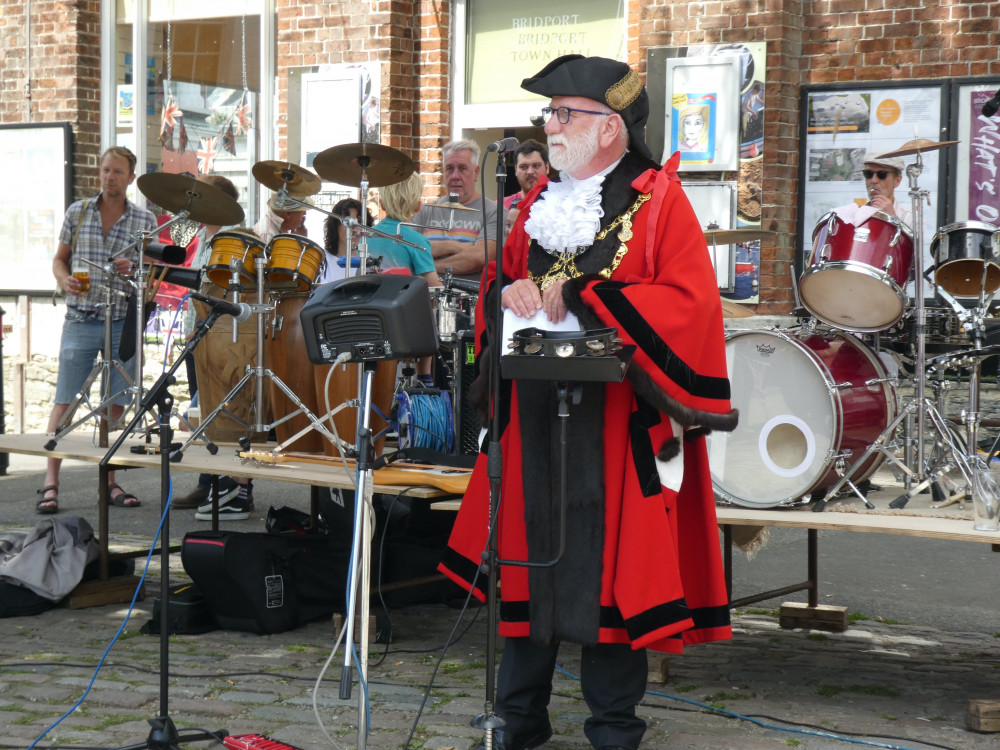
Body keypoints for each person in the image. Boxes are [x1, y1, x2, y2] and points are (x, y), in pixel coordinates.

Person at [437, 55, 738, 750]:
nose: (551, 127)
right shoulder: (539, 204)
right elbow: (506, 284)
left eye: (563, 114)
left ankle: (612, 725)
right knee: (524, 555)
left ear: (610, 127)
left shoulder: (659, 200)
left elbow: (690, 308)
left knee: (612, 572)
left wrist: (584, 296)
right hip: (534, 413)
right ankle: (519, 717)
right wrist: (502, 295)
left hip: (614, 423)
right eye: (551, 114)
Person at [39, 146, 157, 514]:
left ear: (130, 178)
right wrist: (64, 280)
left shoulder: (145, 220)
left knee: (117, 403)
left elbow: (152, 274)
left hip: (123, 318)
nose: (109, 177)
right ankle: (50, 482)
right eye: (105, 170)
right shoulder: (78, 211)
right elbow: (60, 260)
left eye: (118, 172)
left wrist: (135, 268)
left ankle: (110, 481)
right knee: (65, 399)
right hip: (81, 317)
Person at [171, 174, 247, 516]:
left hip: (219, 337)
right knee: (204, 412)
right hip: (198, 334)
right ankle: (208, 484)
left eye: (203, 198)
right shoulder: (205, 237)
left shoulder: (233, 240)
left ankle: (232, 487)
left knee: (216, 414)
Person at [412, 139, 501, 283]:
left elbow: (479, 257)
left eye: (462, 168)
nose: (455, 176)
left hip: (469, 299)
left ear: (476, 172)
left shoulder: (493, 212)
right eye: (449, 168)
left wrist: (427, 267)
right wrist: (452, 246)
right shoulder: (425, 211)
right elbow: (409, 250)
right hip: (425, 297)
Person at [320, 197, 374, 283]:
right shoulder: (321, 260)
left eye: (360, 222)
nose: (355, 228)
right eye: (347, 223)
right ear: (335, 226)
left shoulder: (370, 263)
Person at [503, 140, 550, 212]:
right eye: (524, 167)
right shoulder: (500, 208)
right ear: (515, 170)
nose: (530, 172)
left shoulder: (561, 205)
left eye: (536, 166)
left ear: (547, 168)